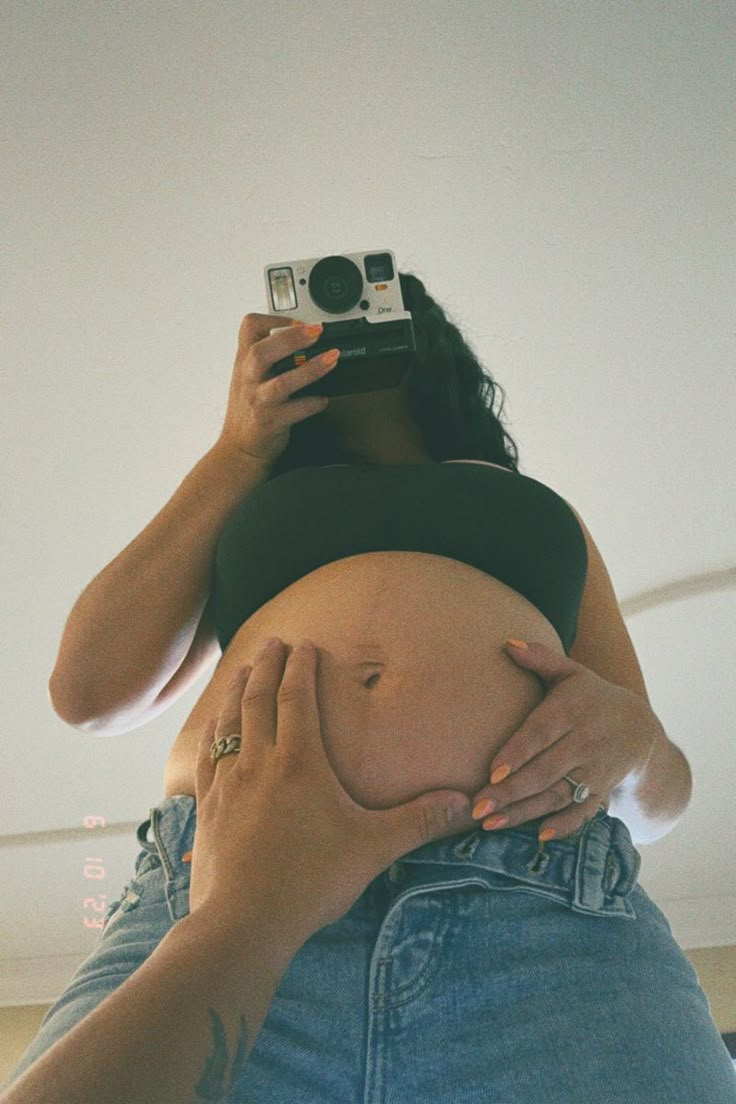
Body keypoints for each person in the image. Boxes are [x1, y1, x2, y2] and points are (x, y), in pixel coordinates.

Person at [5, 281, 735, 1102]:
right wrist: (237, 451)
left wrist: (635, 743)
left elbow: (657, 796)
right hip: (227, 884)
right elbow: (88, 692)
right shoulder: (248, 495)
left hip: (541, 911)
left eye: (376, 301)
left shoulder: (538, 511)